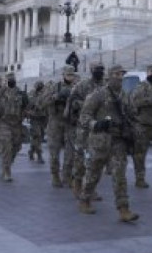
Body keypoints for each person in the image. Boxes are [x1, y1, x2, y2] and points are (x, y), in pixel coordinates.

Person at [77, 65, 139, 222]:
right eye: (117, 74)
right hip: (100, 141)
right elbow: (84, 116)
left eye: (122, 74)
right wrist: (95, 124)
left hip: (118, 141)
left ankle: (123, 209)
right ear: (109, 76)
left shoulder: (125, 96)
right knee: (93, 173)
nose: (120, 77)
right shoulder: (98, 94)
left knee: (120, 175)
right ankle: (85, 199)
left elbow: (131, 115)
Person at [65, 63, 105, 198]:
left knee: (96, 160)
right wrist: (87, 105)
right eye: (96, 69)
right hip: (84, 126)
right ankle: (77, 184)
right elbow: (73, 101)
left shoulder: (106, 86)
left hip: (99, 127)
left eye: (101, 69)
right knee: (80, 159)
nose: (99, 72)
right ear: (91, 70)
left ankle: (90, 189)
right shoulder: (83, 85)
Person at [0, 72, 28, 182]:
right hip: (3, 123)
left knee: (16, 147)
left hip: (16, 123)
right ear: (5, 81)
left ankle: (8, 163)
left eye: (12, 79)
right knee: (6, 146)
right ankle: (6, 171)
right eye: (8, 80)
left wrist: (24, 115)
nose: (11, 81)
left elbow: (26, 107)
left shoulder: (20, 93)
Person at [43, 66, 77, 187]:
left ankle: (67, 176)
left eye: (72, 75)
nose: (70, 77)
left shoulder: (76, 87)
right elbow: (43, 102)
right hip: (55, 123)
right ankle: (55, 175)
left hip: (70, 123)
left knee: (70, 153)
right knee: (54, 152)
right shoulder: (54, 87)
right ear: (63, 75)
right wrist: (56, 97)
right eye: (68, 75)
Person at [27, 81, 48, 164]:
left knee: (39, 137)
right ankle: (39, 155)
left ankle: (31, 151)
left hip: (43, 118)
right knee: (37, 135)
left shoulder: (45, 94)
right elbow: (29, 105)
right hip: (34, 118)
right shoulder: (32, 94)